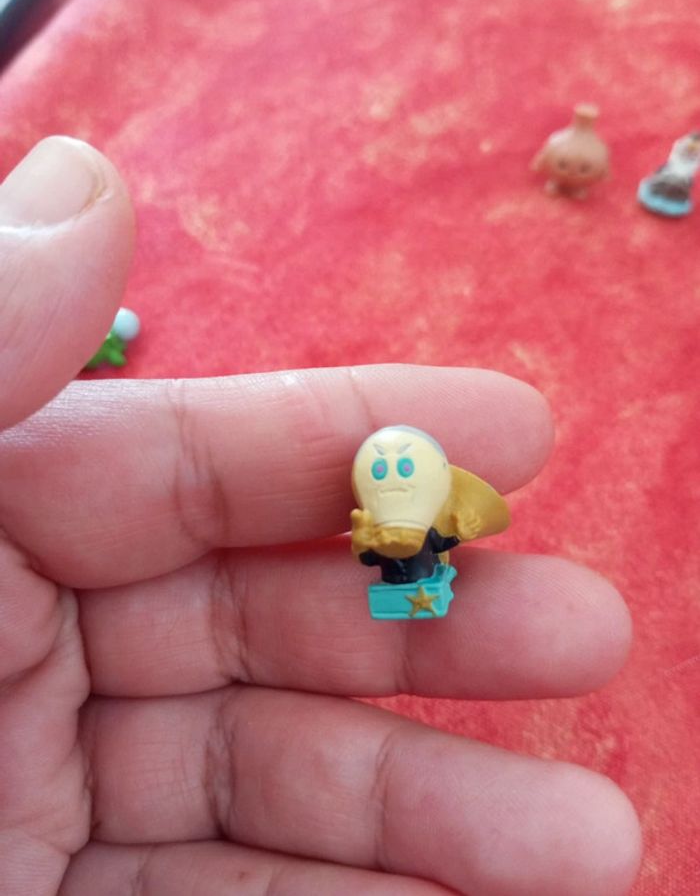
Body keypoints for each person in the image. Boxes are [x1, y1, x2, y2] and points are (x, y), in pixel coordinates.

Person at [0, 137, 642, 896]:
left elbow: (439, 526)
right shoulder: (374, 506)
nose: (394, 477)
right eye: (388, 473)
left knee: (422, 574)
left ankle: (420, 591)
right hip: (393, 558)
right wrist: (374, 533)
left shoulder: (440, 505)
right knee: (400, 576)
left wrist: (426, 535)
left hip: (423, 555)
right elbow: (371, 536)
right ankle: (413, 590)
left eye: (403, 472)